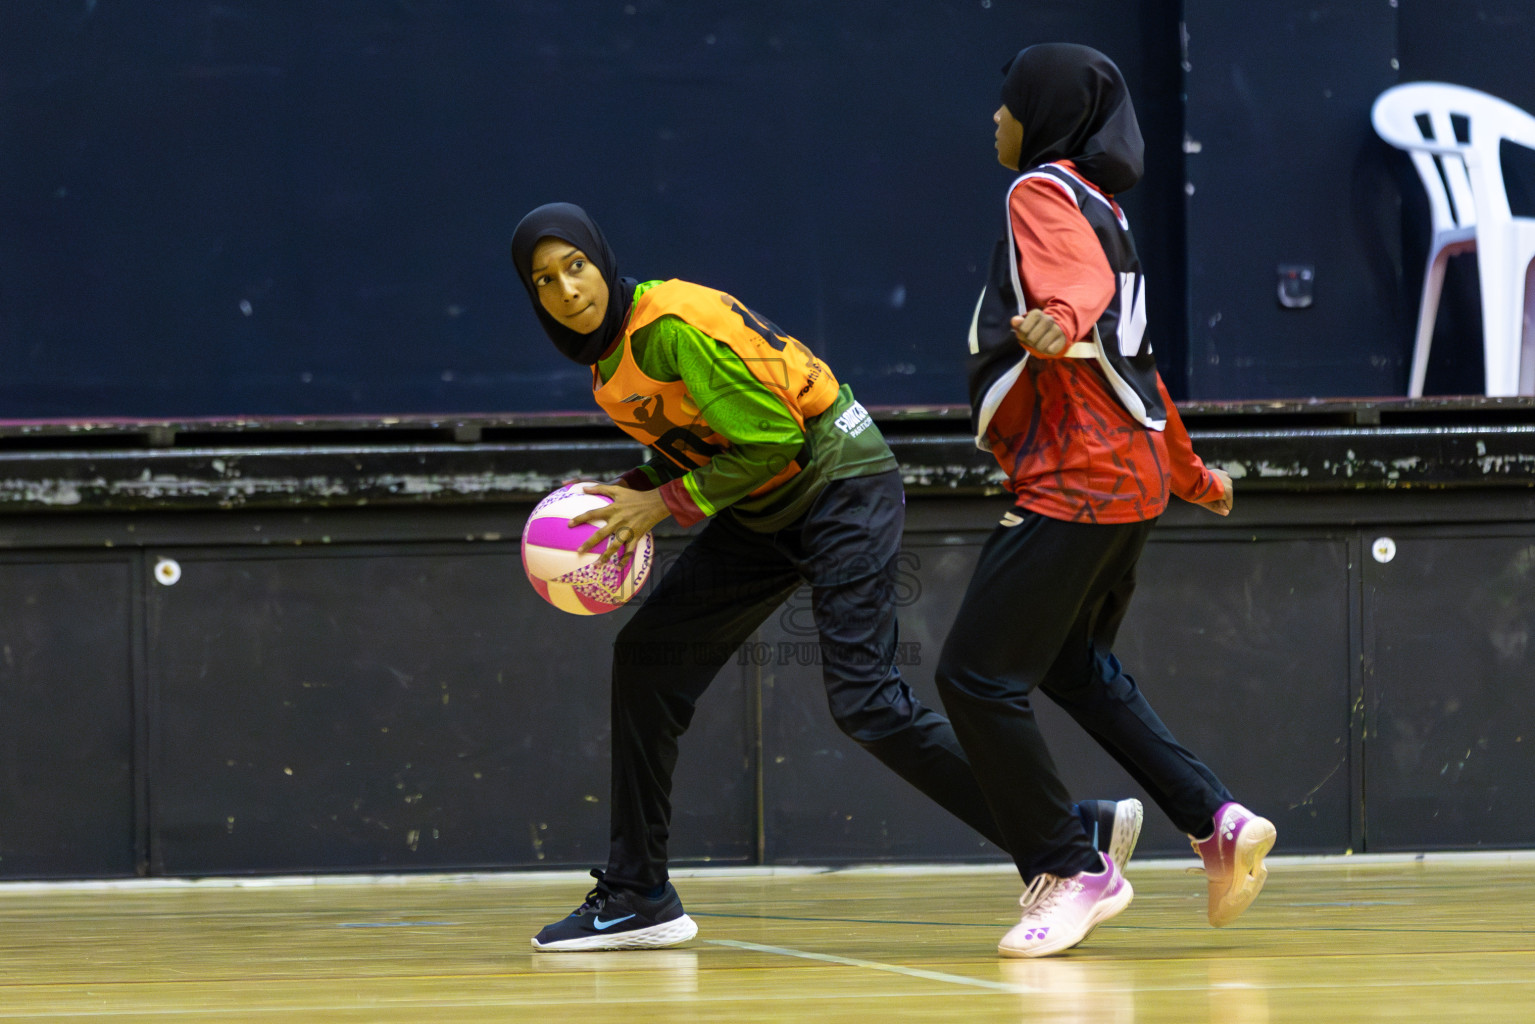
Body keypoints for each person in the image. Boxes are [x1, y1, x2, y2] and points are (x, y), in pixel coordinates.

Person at [509, 203, 1143, 951]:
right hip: (765, 506)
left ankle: (1066, 856)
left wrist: (663, 503)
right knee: (648, 662)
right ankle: (637, 893)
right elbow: (712, 438)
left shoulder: (667, 328)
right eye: (544, 280)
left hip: (841, 485)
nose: (567, 289)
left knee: (867, 703)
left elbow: (774, 438)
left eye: (575, 266)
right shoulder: (609, 359)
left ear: (601, 260)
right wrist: (637, 487)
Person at [933, 43, 1277, 959]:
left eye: (1007, 104)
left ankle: (1071, 867)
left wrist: (1059, 314)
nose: (995, 120)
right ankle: (1216, 820)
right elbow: (1141, 370)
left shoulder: (1039, 191)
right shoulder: (1106, 210)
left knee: (972, 678)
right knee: (1071, 665)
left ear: (1045, 115)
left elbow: (1076, 292)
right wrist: (1190, 473)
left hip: (1075, 482)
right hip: (1131, 482)